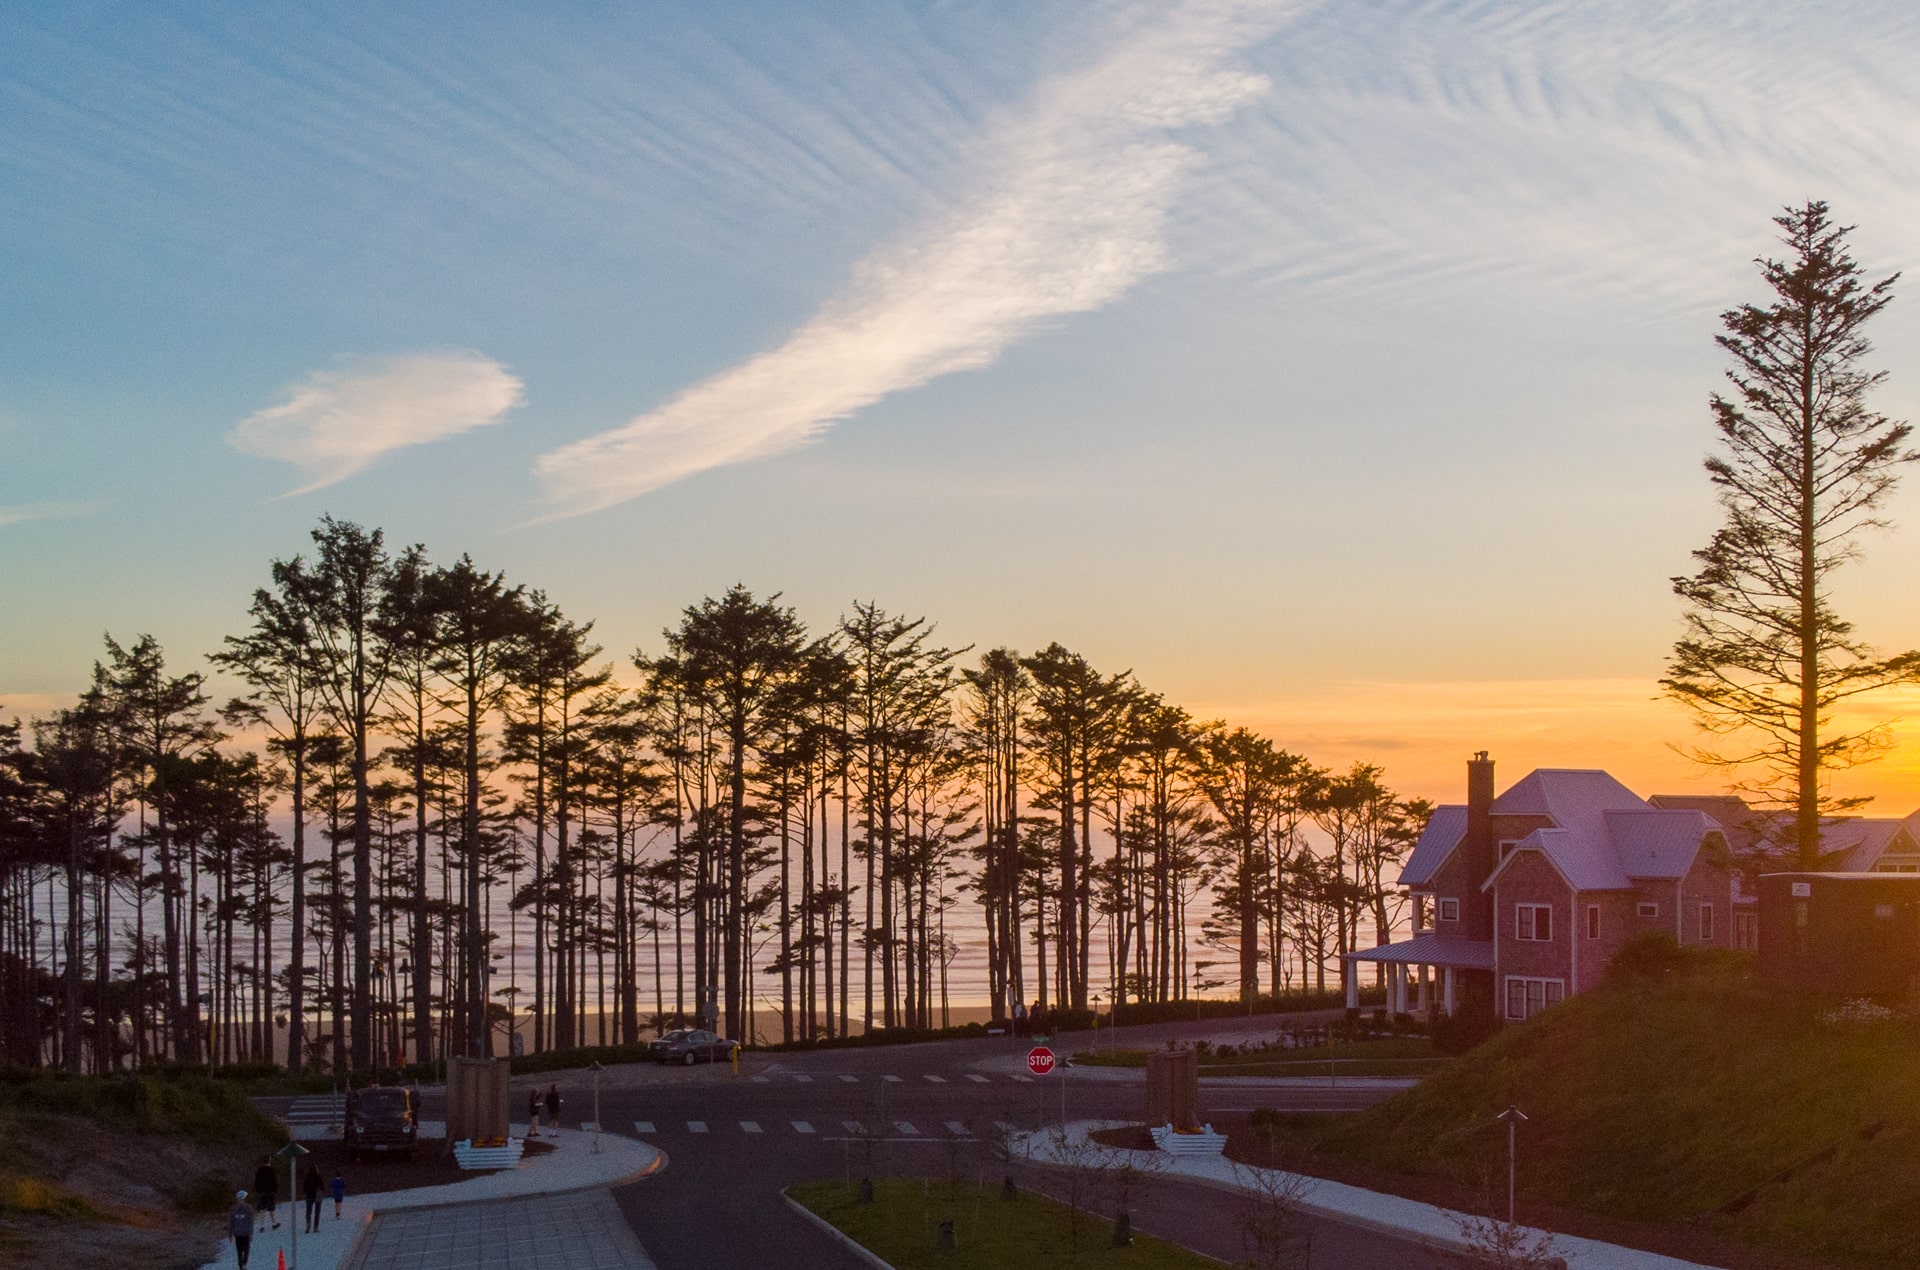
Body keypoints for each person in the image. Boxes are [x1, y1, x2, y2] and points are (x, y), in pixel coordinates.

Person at [226, 1191, 254, 1268]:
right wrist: (230, 1234)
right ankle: (241, 1265)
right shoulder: (233, 1209)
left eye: (241, 1199)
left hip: (246, 1233)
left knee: (246, 1250)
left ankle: (244, 1264)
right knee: (239, 1251)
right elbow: (231, 1222)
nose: (240, 1201)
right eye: (239, 1199)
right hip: (238, 1233)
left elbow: (250, 1221)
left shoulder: (248, 1208)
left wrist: (251, 1233)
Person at [251, 1157, 279, 1231]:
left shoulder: (259, 1170)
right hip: (270, 1191)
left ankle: (262, 1226)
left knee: (262, 1209)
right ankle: (274, 1223)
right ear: (269, 1161)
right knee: (271, 1208)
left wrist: (258, 1190)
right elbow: (275, 1182)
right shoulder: (272, 1170)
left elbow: (256, 1182)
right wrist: (275, 1191)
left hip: (262, 1191)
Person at [301, 1162, 324, 1233]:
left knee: (308, 1211)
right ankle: (315, 1227)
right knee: (317, 1211)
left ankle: (308, 1225)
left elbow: (304, 1187)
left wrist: (305, 1193)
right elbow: (322, 1186)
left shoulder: (307, 1177)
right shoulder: (319, 1176)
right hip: (318, 1194)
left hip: (309, 1194)